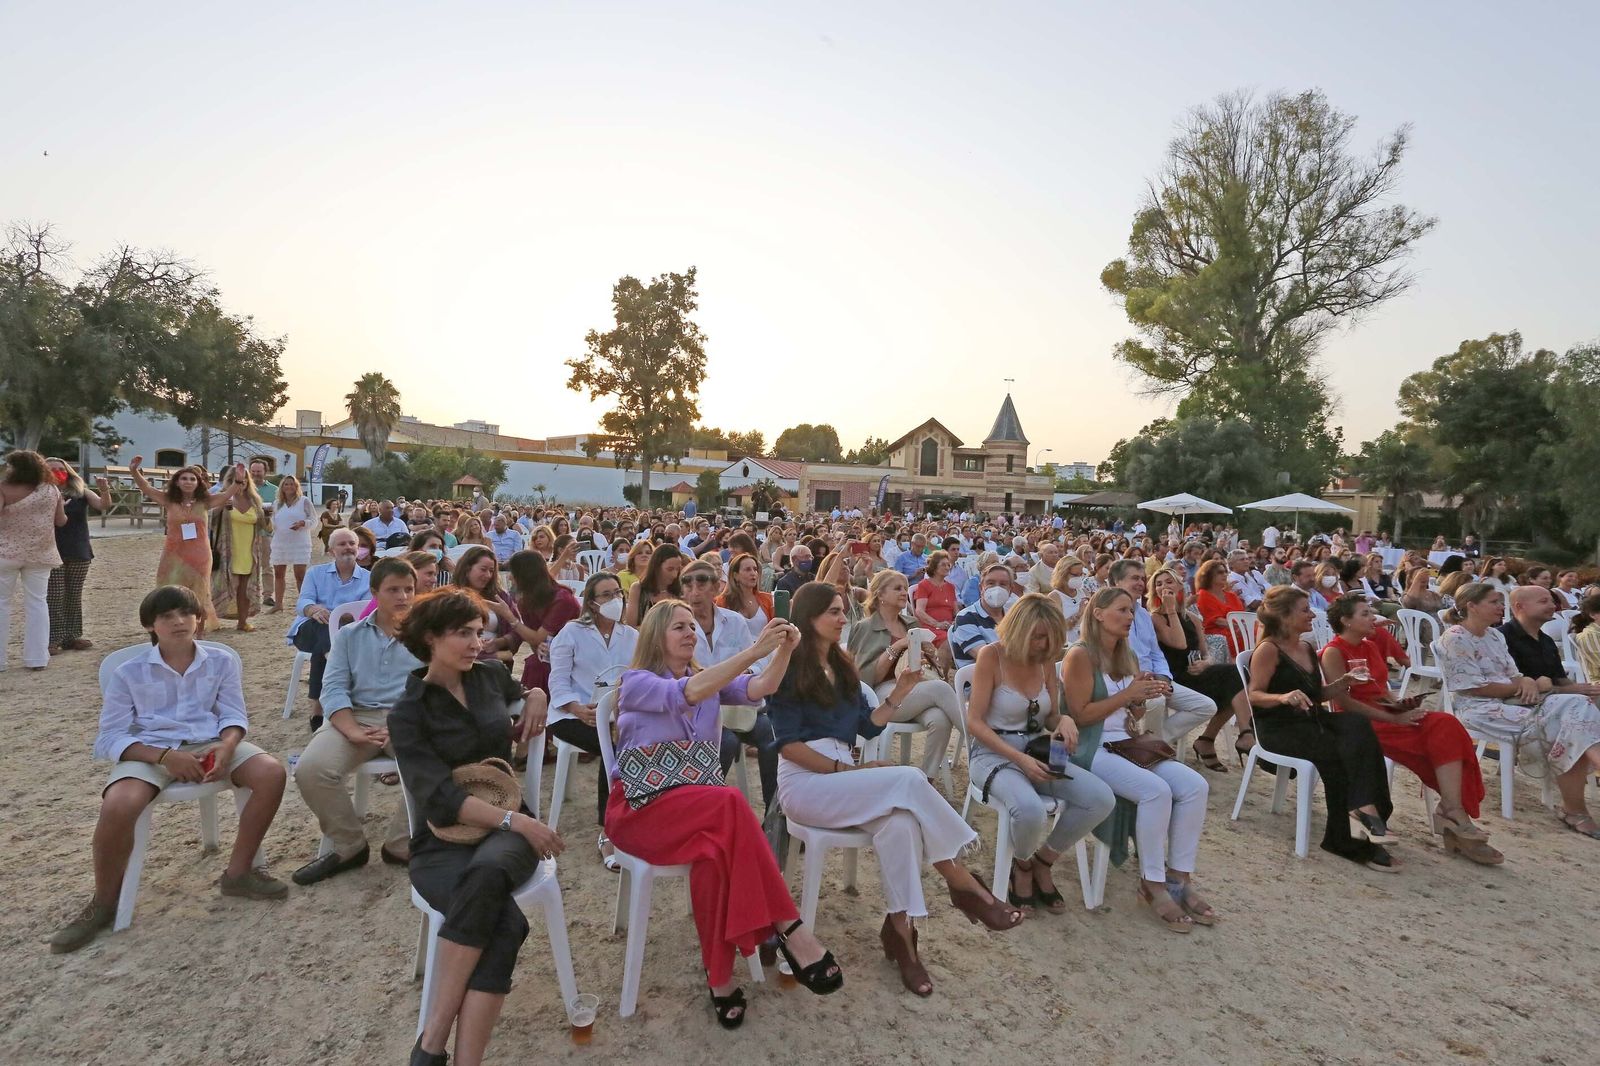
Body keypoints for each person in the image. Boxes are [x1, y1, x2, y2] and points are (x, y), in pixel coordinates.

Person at [773, 582, 1022, 998]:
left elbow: (867, 726)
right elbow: (788, 746)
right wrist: (848, 770)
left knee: (902, 822)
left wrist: (901, 691)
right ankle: (963, 882)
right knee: (909, 778)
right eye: (833, 611)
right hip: (806, 783)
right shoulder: (787, 668)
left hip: (843, 777)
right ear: (808, 617)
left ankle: (902, 935)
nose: (842, 618)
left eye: (843, 610)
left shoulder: (843, 664)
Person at [607, 601, 844, 1029]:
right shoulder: (636, 681)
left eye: (692, 626)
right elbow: (687, 694)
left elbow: (761, 687)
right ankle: (789, 926)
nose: (690, 633)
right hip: (641, 810)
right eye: (679, 627)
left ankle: (719, 979)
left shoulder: (707, 678)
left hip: (699, 810)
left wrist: (784, 649)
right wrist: (754, 650)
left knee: (715, 856)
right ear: (656, 635)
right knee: (732, 800)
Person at [52, 585, 289, 953]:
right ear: (151, 625)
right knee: (118, 805)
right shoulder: (128, 673)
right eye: (166, 616)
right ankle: (104, 901)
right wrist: (164, 757)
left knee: (271, 773)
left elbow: (233, 715)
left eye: (186, 613)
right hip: (150, 751)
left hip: (210, 742)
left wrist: (227, 746)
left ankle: (239, 872)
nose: (179, 621)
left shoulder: (221, 660)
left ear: (198, 618)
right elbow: (110, 737)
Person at [389, 589, 557, 1066]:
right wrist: (517, 820)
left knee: (487, 875)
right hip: (443, 839)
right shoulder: (407, 712)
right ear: (430, 638)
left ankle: (430, 1044)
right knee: (505, 925)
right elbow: (440, 799)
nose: (477, 643)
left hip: (506, 837)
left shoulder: (489, 678)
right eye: (463, 633)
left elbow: (521, 691)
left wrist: (537, 694)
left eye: (479, 632)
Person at [1063, 588, 1216, 931]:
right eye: (1122, 610)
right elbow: (1080, 716)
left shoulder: (1126, 654)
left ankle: (1179, 877)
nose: (1130, 617)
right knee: (1155, 791)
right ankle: (1152, 881)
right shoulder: (1080, 655)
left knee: (1195, 785)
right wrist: (1126, 696)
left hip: (1126, 742)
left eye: (1131, 611)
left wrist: (1139, 700)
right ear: (1098, 613)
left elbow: (1133, 716)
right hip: (1091, 746)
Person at [966, 593, 1116, 916]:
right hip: (993, 752)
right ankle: (1021, 866)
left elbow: (1049, 716)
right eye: (1037, 637)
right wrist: (1019, 759)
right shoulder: (992, 656)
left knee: (1101, 798)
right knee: (1030, 810)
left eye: (1050, 638)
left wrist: (1063, 720)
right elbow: (974, 722)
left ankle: (1043, 861)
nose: (1044, 645)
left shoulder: (1046, 659)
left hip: (1037, 748)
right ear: (1019, 630)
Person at [1320, 594, 1498, 864]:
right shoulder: (1334, 651)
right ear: (1346, 621)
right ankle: (1455, 817)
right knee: (1432, 736)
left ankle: (1451, 808)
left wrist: (1399, 704)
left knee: (1445, 723)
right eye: (1365, 614)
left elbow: (1380, 689)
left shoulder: (1369, 646)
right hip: (1359, 723)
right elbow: (1344, 702)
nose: (1373, 618)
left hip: (1385, 713)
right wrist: (1393, 718)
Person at [1246, 586, 1399, 871]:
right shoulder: (1268, 649)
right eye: (1305, 610)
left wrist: (1344, 682)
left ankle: (1366, 812)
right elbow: (1254, 695)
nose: (1312, 615)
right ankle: (1347, 836)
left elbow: (1316, 695)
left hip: (1310, 719)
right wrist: (1283, 697)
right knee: (1339, 754)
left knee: (1357, 726)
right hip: (1279, 727)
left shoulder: (1306, 647)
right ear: (1284, 616)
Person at [291, 557, 423, 882]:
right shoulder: (349, 635)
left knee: (439, 762)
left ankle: (401, 843)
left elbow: (434, 689)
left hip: (408, 719)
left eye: (409, 589)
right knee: (311, 769)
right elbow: (333, 687)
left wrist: (400, 724)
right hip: (355, 715)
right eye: (394, 589)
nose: (403, 597)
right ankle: (350, 845)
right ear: (375, 592)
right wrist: (351, 730)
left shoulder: (427, 636)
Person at [1463, 584, 1600, 836]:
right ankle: (1575, 808)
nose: (1553, 606)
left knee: (1583, 707)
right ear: (1520, 607)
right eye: (1544, 601)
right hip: (1514, 704)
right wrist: (1554, 688)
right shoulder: (1503, 636)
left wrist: (1580, 688)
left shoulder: (1545, 641)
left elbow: (1557, 681)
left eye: (1552, 601)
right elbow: (1517, 687)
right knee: (1577, 713)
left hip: (1550, 702)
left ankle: (1576, 808)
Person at [547, 572, 638, 870]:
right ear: (591, 603)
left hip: (616, 716)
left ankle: (637, 817)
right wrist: (576, 707)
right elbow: (557, 680)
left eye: (618, 593)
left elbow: (638, 677)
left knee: (634, 741)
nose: (615, 600)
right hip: (571, 715)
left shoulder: (631, 635)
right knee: (611, 747)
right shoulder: (571, 632)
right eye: (606, 595)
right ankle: (608, 831)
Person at [848, 570, 964, 785]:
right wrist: (898, 645)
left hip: (915, 689)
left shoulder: (910, 623)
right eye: (897, 588)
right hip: (883, 694)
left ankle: (926, 780)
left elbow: (924, 664)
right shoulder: (865, 627)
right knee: (940, 688)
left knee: (939, 718)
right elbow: (866, 678)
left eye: (905, 588)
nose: (904, 592)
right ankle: (979, 741)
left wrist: (928, 655)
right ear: (880, 594)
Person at [1147, 567, 1254, 773]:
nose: (1163, 587)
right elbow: (1177, 643)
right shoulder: (1156, 618)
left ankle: (1214, 738)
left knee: (1237, 679)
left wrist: (1206, 663)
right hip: (1174, 676)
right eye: (1158, 584)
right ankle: (1239, 735)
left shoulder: (1192, 618)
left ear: (1179, 586)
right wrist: (1170, 609)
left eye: (1169, 582)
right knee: (1233, 680)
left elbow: (1206, 653)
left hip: (1198, 672)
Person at [127, 457, 247, 630]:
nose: (188, 482)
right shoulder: (169, 500)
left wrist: (238, 480)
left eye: (192, 479)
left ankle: (199, 630)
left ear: (198, 483)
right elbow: (146, 488)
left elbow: (227, 494)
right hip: (173, 554)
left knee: (200, 591)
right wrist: (134, 471)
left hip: (199, 554)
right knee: (168, 588)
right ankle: (170, 624)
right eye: (184, 478)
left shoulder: (205, 502)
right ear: (177, 482)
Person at [1112, 559, 1219, 746]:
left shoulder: (1143, 615)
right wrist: (1144, 679)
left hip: (1156, 678)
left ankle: (1150, 743)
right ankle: (1151, 747)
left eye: (1142, 578)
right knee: (1157, 701)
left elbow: (1156, 653)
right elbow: (1113, 657)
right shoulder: (1111, 613)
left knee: (1206, 706)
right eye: (1134, 578)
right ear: (1117, 582)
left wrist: (1163, 678)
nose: (1140, 583)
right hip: (1127, 679)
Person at [287, 528, 372, 731]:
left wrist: (337, 616)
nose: (348, 547)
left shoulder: (369, 578)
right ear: (331, 550)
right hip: (311, 628)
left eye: (352, 543)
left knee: (329, 640)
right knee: (325, 629)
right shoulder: (315, 573)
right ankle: (332, 665)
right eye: (342, 544)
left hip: (348, 632)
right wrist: (313, 609)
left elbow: (365, 611)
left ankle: (317, 708)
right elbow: (303, 601)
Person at [0, 450, 67, 671]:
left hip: (6, 553)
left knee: (2, 604)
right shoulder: (51, 490)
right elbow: (60, 521)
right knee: (37, 603)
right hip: (40, 553)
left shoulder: (4, 488)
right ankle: (37, 658)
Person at [42, 457, 111, 655]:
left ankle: (72, 636)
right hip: (51, 549)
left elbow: (103, 505)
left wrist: (104, 490)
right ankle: (53, 638)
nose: (57, 472)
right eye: (52, 469)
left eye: (61, 468)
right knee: (54, 596)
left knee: (74, 594)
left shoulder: (80, 492)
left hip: (78, 549)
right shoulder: (40, 493)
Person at [503, 550, 580, 696]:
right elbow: (535, 644)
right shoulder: (527, 601)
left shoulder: (562, 599)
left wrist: (509, 617)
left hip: (574, 655)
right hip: (547, 657)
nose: (509, 577)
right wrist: (540, 648)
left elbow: (537, 637)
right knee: (535, 663)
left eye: (513, 572)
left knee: (537, 666)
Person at [210, 465, 268, 631]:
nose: (241, 484)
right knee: (222, 587)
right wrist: (221, 506)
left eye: (244, 481)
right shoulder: (222, 498)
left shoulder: (255, 501)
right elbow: (209, 519)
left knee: (245, 589)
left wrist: (267, 517)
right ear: (230, 481)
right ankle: (211, 620)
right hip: (227, 550)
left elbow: (264, 527)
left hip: (249, 551)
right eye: (236, 481)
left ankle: (242, 622)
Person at [451, 546, 519, 665]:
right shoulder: (450, 596)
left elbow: (518, 630)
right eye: (483, 569)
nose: (488, 575)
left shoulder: (500, 596)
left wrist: (501, 642)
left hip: (496, 665)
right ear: (467, 569)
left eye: (491, 571)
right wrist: (493, 656)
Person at [950, 563, 1016, 670]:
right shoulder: (966, 618)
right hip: (981, 677)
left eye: (1003, 584)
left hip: (1015, 673)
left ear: (1010, 590)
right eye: (991, 583)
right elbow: (987, 658)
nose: (997, 588)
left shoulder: (1014, 617)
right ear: (981, 588)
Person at [268, 475, 316, 615]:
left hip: (299, 542)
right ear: (282, 487)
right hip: (280, 541)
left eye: (292, 484)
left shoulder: (304, 501)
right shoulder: (277, 503)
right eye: (286, 484)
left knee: (300, 575)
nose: (289, 487)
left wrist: (303, 523)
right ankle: (278, 604)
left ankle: (304, 604)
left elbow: (314, 520)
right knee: (278, 573)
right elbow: (272, 523)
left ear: (296, 486)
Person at [1193, 559, 1246, 661]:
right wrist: (1240, 627)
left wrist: (1243, 626)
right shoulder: (1203, 595)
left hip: (1237, 630)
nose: (1225, 575)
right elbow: (1217, 621)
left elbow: (1242, 616)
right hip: (1218, 634)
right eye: (1220, 572)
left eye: (1226, 572)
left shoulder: (1231, 595)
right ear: (1209, 575)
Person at [623, 543, 685, 627]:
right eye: (670, 569)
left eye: (677, 569)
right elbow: (631, 626)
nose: (674, 574)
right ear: (656, 567)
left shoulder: (681, 592)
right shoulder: (638, 589)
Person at [719, 552, 774, 641]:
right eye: (748, 570)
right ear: (735, 575)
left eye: (755, 569)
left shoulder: (768, 599)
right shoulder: (723, 602)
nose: (753, 573)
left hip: (767, 648)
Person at [911, 549, 959, 652]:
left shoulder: (951, 587)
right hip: (930, 627)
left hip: (948, 626)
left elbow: (956, 612)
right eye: (943, 565)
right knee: (948, 640)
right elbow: (919, 611)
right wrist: (937, 624)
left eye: (948, 565)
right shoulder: (924, 585)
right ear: (934, 567)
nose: (947, 567)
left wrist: (954, 623)